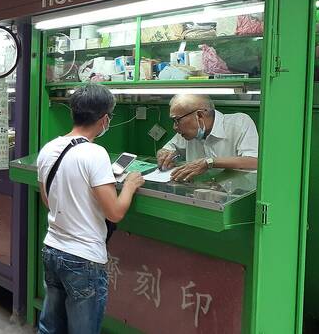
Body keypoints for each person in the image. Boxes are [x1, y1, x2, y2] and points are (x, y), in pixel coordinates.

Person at [36, 84, 144, 334]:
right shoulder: (95, 153)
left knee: (50, 327)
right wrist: (130, 185)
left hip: (53, 249)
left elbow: (47, 200)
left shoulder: (48, 149)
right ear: (105, 119)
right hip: (83, 258)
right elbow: (114, 213)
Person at [156, 94, 258, 182]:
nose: (175, 127)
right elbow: (169, 149)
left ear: (200, 115)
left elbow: (253, 161)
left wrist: (209, 162)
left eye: (177, 120)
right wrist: (163, 154)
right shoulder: (187, 132)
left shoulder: (239, 123)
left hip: (234, 194)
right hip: (196, 193)